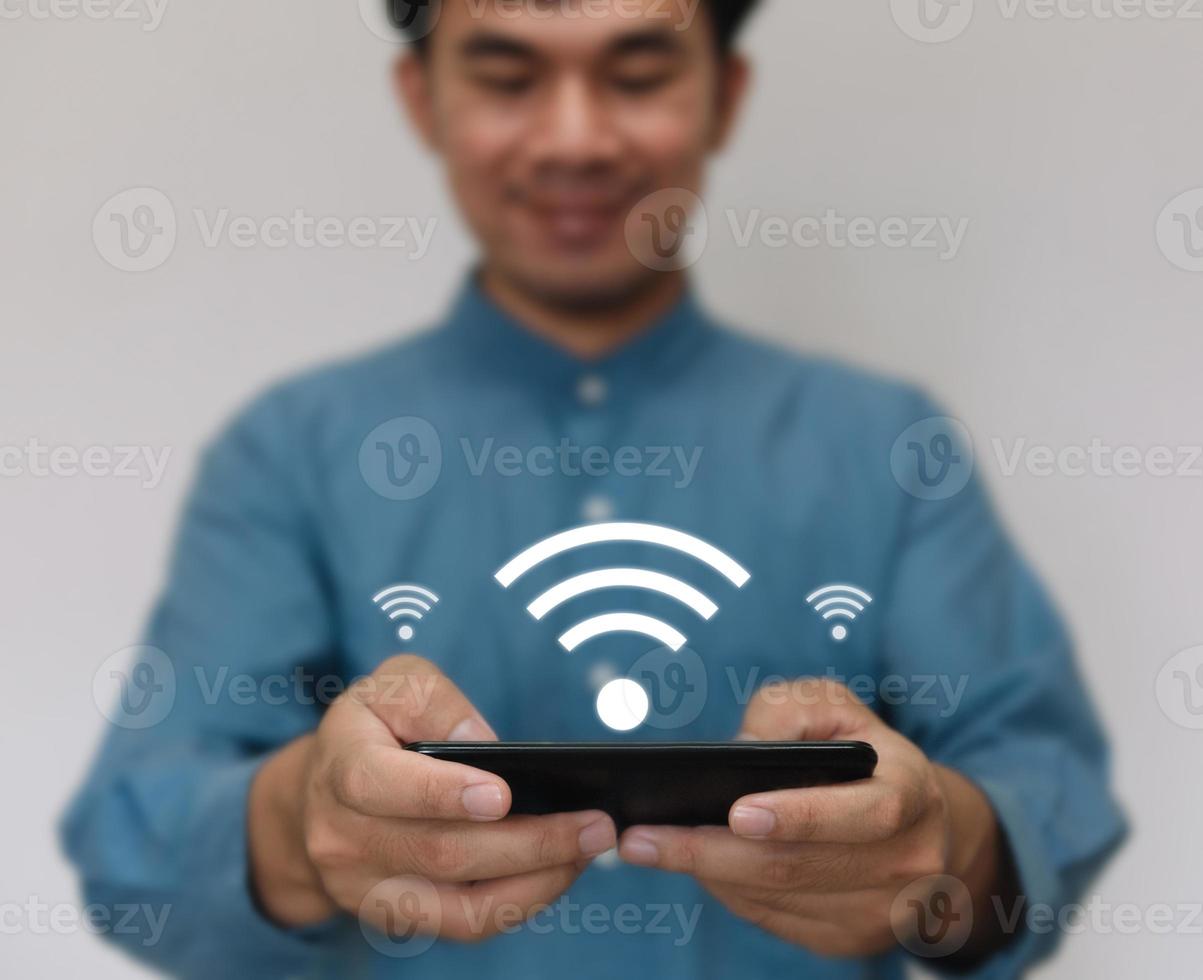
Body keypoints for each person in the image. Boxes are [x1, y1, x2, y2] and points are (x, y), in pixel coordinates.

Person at [62, 1, 1125, 977]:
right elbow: (134, 837)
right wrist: (301, 818)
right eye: (509, 75)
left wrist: (951, 846)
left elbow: (1047, 786)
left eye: (637, 71)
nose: (575, 138)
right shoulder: (288, 448)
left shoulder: (889, 442)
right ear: (422, 98)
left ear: (726, 93)